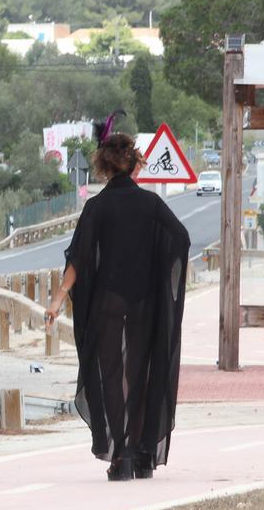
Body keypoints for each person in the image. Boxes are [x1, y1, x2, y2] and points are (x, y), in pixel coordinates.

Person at [45, 133, 190, 481]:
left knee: (110, 375)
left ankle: (120, 455)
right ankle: (142, 455)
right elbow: (181, 239)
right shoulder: (151, 205)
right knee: (138, 375)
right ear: (135, 163)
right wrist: (159, 272)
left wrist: (58, 298)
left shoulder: (96, 207)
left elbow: (78, 259)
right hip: (144, 301)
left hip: (107, 301)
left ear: (103, 166)